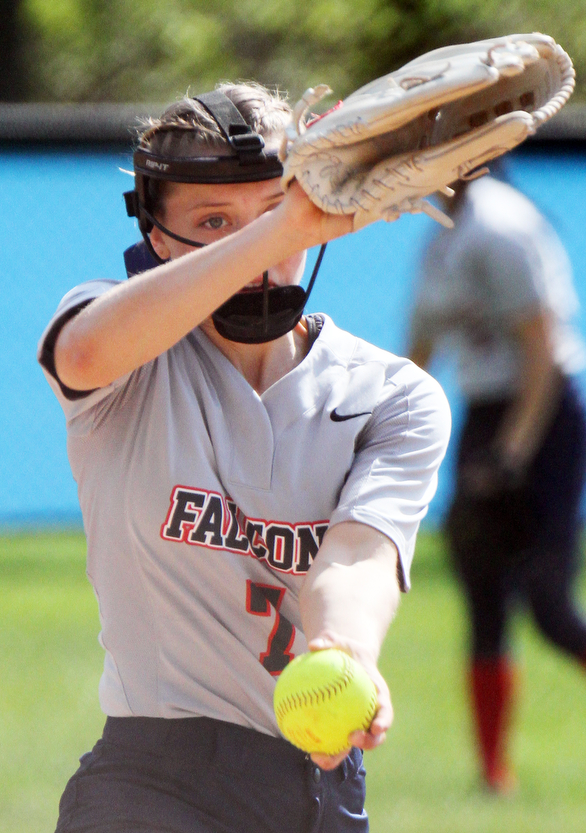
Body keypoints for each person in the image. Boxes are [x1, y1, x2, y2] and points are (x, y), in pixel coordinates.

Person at [38, 82, 450, 833]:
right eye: (212, 221)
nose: (259, 252)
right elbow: (86, 350)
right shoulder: (130, 349)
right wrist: (280, 224)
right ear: (157, 240)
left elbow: (356, 557)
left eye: (275, 213)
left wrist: (344, 645)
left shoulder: (392, 395)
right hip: (151, 779)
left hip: (319, 783)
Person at [408, 170, 586, 794]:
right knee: (482, 594)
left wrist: (511, 456)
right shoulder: (442, 236)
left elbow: (541, 348)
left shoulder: (502, 225)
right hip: (487, 413)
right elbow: (419, 350)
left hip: (542, 415)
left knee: (549, 606)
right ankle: (493, 777)